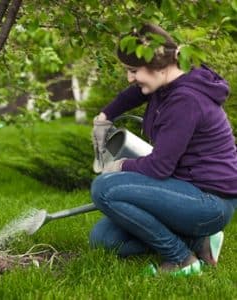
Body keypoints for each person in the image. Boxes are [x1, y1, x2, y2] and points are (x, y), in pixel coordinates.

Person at [90, 23, 237, 276]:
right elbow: (134, 93)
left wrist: (119, 166)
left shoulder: (186, 100)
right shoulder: (170, 81)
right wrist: (105, 116)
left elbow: (158, 167)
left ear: (157, 62)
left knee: (104, 188)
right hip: (184, 189)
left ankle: (181, 259)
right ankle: (198, 242)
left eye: (134, 70)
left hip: (208, 201)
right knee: (104, 239)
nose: (130, 77)